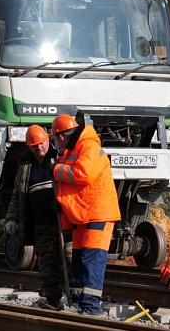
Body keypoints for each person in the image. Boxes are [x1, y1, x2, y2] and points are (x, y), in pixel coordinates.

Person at [51, 114, 120, 316]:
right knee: (80, 259)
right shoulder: (74, 149)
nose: (56, 143)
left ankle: (90, 307)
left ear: (61, 136)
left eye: (55, 138)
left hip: (97, 214)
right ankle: (80, 303)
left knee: (92, 260)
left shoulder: (89, 146)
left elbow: (83, 174)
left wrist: (56, 170)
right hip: (83, 215)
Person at [5, 125, 67, 311]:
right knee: (47, 264)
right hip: (41, 225)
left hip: (64, 223)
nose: (39, 148)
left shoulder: (60, 158)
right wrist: (12, 218)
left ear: (48, 140)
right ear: (29, 147)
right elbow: (18, 195)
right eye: (34, 145)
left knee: (70, 261)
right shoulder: (26, 167)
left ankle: (75, 299)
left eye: (41, 143)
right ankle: (52, 300)